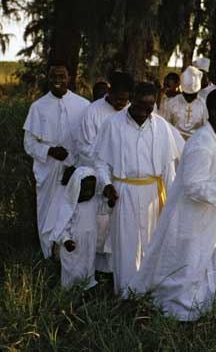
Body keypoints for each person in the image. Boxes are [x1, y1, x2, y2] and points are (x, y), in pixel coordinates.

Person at [129, 89, 216, 321]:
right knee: (189, 264)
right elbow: (193, 186)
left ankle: (213, 305)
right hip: (191, 217)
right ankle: (179, 312)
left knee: (215, 259)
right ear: (213, 111)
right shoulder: (201, 143)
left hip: (214, 215)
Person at [93, 82, 182, 295]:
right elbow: (101, 161)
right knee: (126, 245)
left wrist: (173, 201)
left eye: (150, 106)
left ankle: (150, 292)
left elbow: (168, 167)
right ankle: (127, 294)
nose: (145, 111)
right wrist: (106, 184)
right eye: (141, 105)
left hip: (153, 191)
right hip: (124, 192)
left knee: (152, 243)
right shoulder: (113, 124)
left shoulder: (161, 126)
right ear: (132, 98)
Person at [23, 60, 90, 258]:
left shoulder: (83, 105)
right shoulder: (38, 107)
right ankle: (48, 255)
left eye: (62, 76)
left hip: (75, 167)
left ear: (70, 77)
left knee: (72, 212)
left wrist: (76, 165)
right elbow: (29, 143)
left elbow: (88, 141)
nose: (58, 80)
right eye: (54, 76)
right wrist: (49, 151)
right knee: (47, 212)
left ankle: (70, 258)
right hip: (48, 169)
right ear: (48, 78)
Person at [77, 71, 135, 272]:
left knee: (120, 228)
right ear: (110, 91)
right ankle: (96, 271)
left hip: (125, 177)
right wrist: (106, 166)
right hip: (99, 178)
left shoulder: (130, 112)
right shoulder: (93, 112)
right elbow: (85, 148)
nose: (122, 104)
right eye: (119, 99)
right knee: (99, 227)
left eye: (126, 100)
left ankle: (116, 271)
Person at [52, 167, 103, 289]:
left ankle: (87, 285)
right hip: (74, 243)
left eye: (91, 189)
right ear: (76, 187)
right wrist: (66, 240)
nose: (88, 193)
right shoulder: (69, 206)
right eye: (85, 189)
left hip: (89, 241)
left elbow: (103, 209)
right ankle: (70, 288)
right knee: (72, 266)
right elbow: (62, 227)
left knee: (88, 263)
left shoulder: (93, 201)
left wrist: (109, 204)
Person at [163, 66, 208, 140]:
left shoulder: (203, 104)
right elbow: (166, 125)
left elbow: (206, 128)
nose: (189, 98)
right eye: (186, 95)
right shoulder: (172, 102)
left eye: (193, 95)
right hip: (175, 142)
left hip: (196, 144)